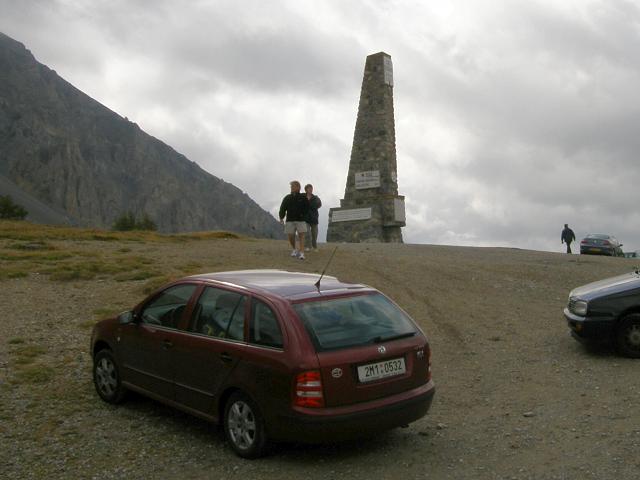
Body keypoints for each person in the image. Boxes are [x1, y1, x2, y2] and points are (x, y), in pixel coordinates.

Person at [279, 180, 309, 260]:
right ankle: (295, 249)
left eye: (293, 186)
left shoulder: (303, 197)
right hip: (290, 220)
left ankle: (302, 253)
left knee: (301, 236)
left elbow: (307, 208)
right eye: (291, 187)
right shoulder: (287, 197)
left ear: (298, 187)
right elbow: (283, 208)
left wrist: (304, 217)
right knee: (290, 236)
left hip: (301, 220)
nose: (291, 188)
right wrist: (281, 217)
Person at [304, 184, 322, 252]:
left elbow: (319, 204)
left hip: (314, 218)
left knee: (314, 234)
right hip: (305, 218)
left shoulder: (316, 197)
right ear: (306, 190)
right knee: (307, 233)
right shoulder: (303, 197)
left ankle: (314, 246)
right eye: (309, 188)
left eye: (311, 188)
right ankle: (307, 246)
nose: (310, 189)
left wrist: (311, 205)